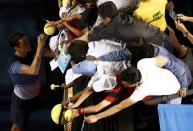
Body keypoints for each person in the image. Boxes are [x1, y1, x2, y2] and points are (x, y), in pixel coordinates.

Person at [84, 57, 182, 123]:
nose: (124, 86)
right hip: (171, 75)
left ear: (135, 84)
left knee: (171, 122)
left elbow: (120, 106)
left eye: (126, 85)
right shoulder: (142, 63)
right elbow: (164, 58)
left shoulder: (142, 90)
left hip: (175, 92)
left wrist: (96, 117)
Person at [96, 36, 192, 97]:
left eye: (130, 50)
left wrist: (184, 86)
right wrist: (101, 58)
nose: (128, 52)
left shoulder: (159, 54)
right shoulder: (139, 51)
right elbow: (120, 54)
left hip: (181, 77)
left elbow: (178, 68)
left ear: (136, 51)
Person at [8, 33, 47, 131]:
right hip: (21, 100)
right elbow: (33, 71)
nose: (29, 44)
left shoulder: (32, 49)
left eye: (27, 41)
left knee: (26, 120)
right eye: (25, 43)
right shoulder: (14, 64)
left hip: (34, 95)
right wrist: (40, 47)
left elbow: (51, 53)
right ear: (16, 48)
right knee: (19, 126)